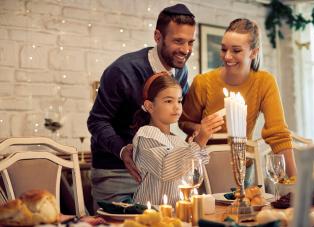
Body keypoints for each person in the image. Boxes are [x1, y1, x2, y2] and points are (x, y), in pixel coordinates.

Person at [87, 4, 196, 208]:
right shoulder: (122, 71)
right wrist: (122, 151)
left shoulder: (181, 72)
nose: (186, 50)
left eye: (191, 42)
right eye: (178, 41)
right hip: (117, 173)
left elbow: (182, 113)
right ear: (157, 36)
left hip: (158, 171)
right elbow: (97, 120)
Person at [179, 18, 297, 178]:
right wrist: (199, 129)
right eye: (223, 49)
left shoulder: (264, 82)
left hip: (243, 168)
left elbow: (278, 134)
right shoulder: (202, 82)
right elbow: (184, 122)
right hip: (204, 167)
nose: (227, 56)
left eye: (236, 50)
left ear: (253, 52)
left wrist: (295, 181)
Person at [131, 72, 224, 206]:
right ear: (149, 106)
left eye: (179, 101)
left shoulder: (178, 141)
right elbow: (165, 168)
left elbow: (194, 175)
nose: (177, 107)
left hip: (178, 211)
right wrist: (199, 142)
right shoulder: (146, 134)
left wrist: (199, 144)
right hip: (151, 213)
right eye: (169, 101)